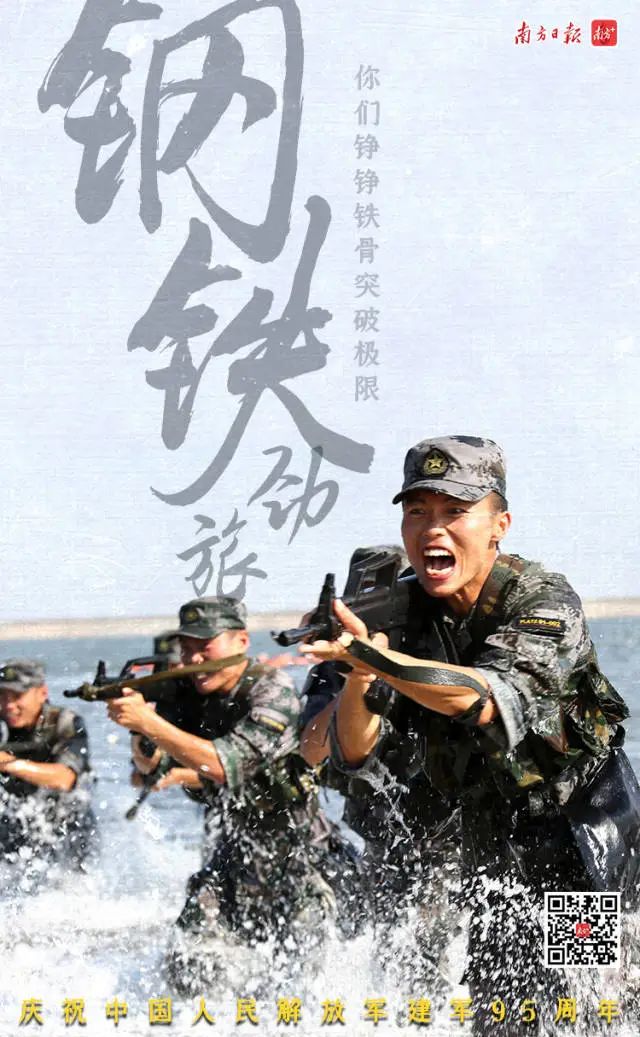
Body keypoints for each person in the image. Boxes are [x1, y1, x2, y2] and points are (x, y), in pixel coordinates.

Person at [300, 436, 636, 1034]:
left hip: (578, 834)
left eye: (456, 511)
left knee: (592, 1011)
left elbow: (483, 701)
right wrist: (356, 674)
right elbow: (352, 751)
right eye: (418, 511)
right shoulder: (402, 611)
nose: (434, 528)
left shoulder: (542, 600)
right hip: (490, 843)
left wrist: (375, 659)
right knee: (502, 1018)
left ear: (499, 525)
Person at [107, 596, 334, 996]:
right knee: (186, 963)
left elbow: (224, 765)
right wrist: (139, 726)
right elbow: (149, 769)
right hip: (232, 857)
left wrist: (150, 723)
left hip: (300, 859)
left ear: (241, 641)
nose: (194, 658)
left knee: (303, 985)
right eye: (186, 648)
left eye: (205, 646)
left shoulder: (271, 690)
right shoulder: (187, 693)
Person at [0, 658, 95, 872]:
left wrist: (9, 764)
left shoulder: (65, 723)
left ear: (42, 693)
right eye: (2, 696)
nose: (9, 705)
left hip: (67, 824)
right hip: (14, 823)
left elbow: (65, 779)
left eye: (17, 696)